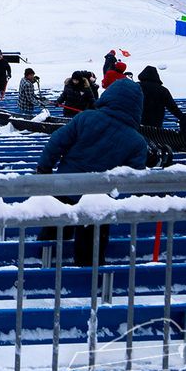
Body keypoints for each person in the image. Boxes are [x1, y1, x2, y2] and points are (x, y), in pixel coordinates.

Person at [35, 79, 149, 266]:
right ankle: (90, 277)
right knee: (92, 246)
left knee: (54, 230)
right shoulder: (137, 141)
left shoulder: (86, 118)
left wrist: (44, 168)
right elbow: (135, 177)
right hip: (99, 200)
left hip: (65, 186)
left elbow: (57, 141)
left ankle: (43, 263)